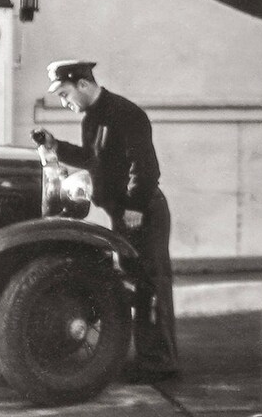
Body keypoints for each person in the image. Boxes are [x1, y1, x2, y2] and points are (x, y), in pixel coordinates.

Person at [33, 60, 179, 380]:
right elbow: (93, 160)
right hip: (125, 213)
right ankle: (147, 358)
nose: (64, 102)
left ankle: (159, 364)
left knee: (150, 286)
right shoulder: (92, 118)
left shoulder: (126, 114)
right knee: (132, 282)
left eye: (65, 94)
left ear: (84, 85)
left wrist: (135, 208)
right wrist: (55, 146)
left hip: (143, 212)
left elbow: (146, 168)